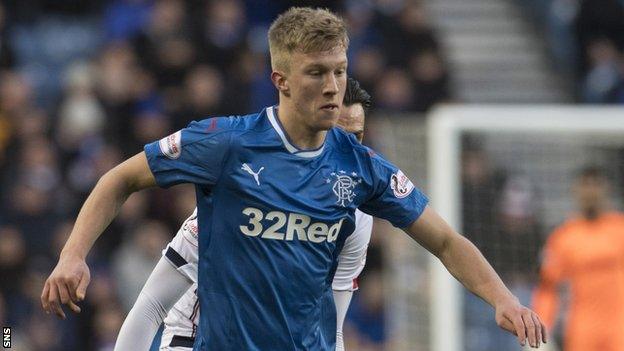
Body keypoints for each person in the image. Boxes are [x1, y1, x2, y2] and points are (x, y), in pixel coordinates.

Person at [42, 7, 546, 350]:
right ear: (280, 80)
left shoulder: (362, 168)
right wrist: (72, 255)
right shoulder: (226, 144)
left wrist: (503, 298)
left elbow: (445, 240)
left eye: (340, 71)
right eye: (316, 73)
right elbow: (119, 180)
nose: (332, 87)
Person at [113, 77, 374, 351]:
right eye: (338, 134)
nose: (348, 150)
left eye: (357, 136)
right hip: (196, 339)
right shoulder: (244, 194)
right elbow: (151, 305)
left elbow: (331, 331)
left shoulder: (356, 218)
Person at [532, 167, 624, 351]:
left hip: (619, 325)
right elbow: (548, 287)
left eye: (595, 185)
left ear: (606, 189)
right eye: (585, 186)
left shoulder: (620, 228)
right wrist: (540, 328)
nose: (590, 193)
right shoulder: (563, 236)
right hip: (582, 329)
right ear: (576, 191)